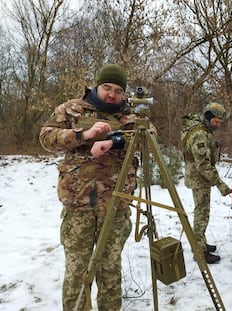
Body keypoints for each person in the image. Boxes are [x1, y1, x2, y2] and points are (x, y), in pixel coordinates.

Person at [39, 64, 141, 310]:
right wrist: (82, 135)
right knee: (77, 271)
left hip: (115, 207)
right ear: (97, 85)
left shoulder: (130, 116)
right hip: (78, 206)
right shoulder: (72, 109)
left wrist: (114, 141)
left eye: (118, 90)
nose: (112, 94)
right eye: (107, 87)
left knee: (109, 270)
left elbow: (147, 139)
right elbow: (46, 137)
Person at [180, 102, 232, 264]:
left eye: (220, 122)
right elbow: (203, 164)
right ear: (208, 117)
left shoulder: (200, 129)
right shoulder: (200, 134)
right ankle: (199, 250)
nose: (218, 125)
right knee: (202, 214)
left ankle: (200, 242)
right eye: (216, 121)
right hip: (199, 178)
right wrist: (220, 184)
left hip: (198, 177)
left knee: (202, 213)